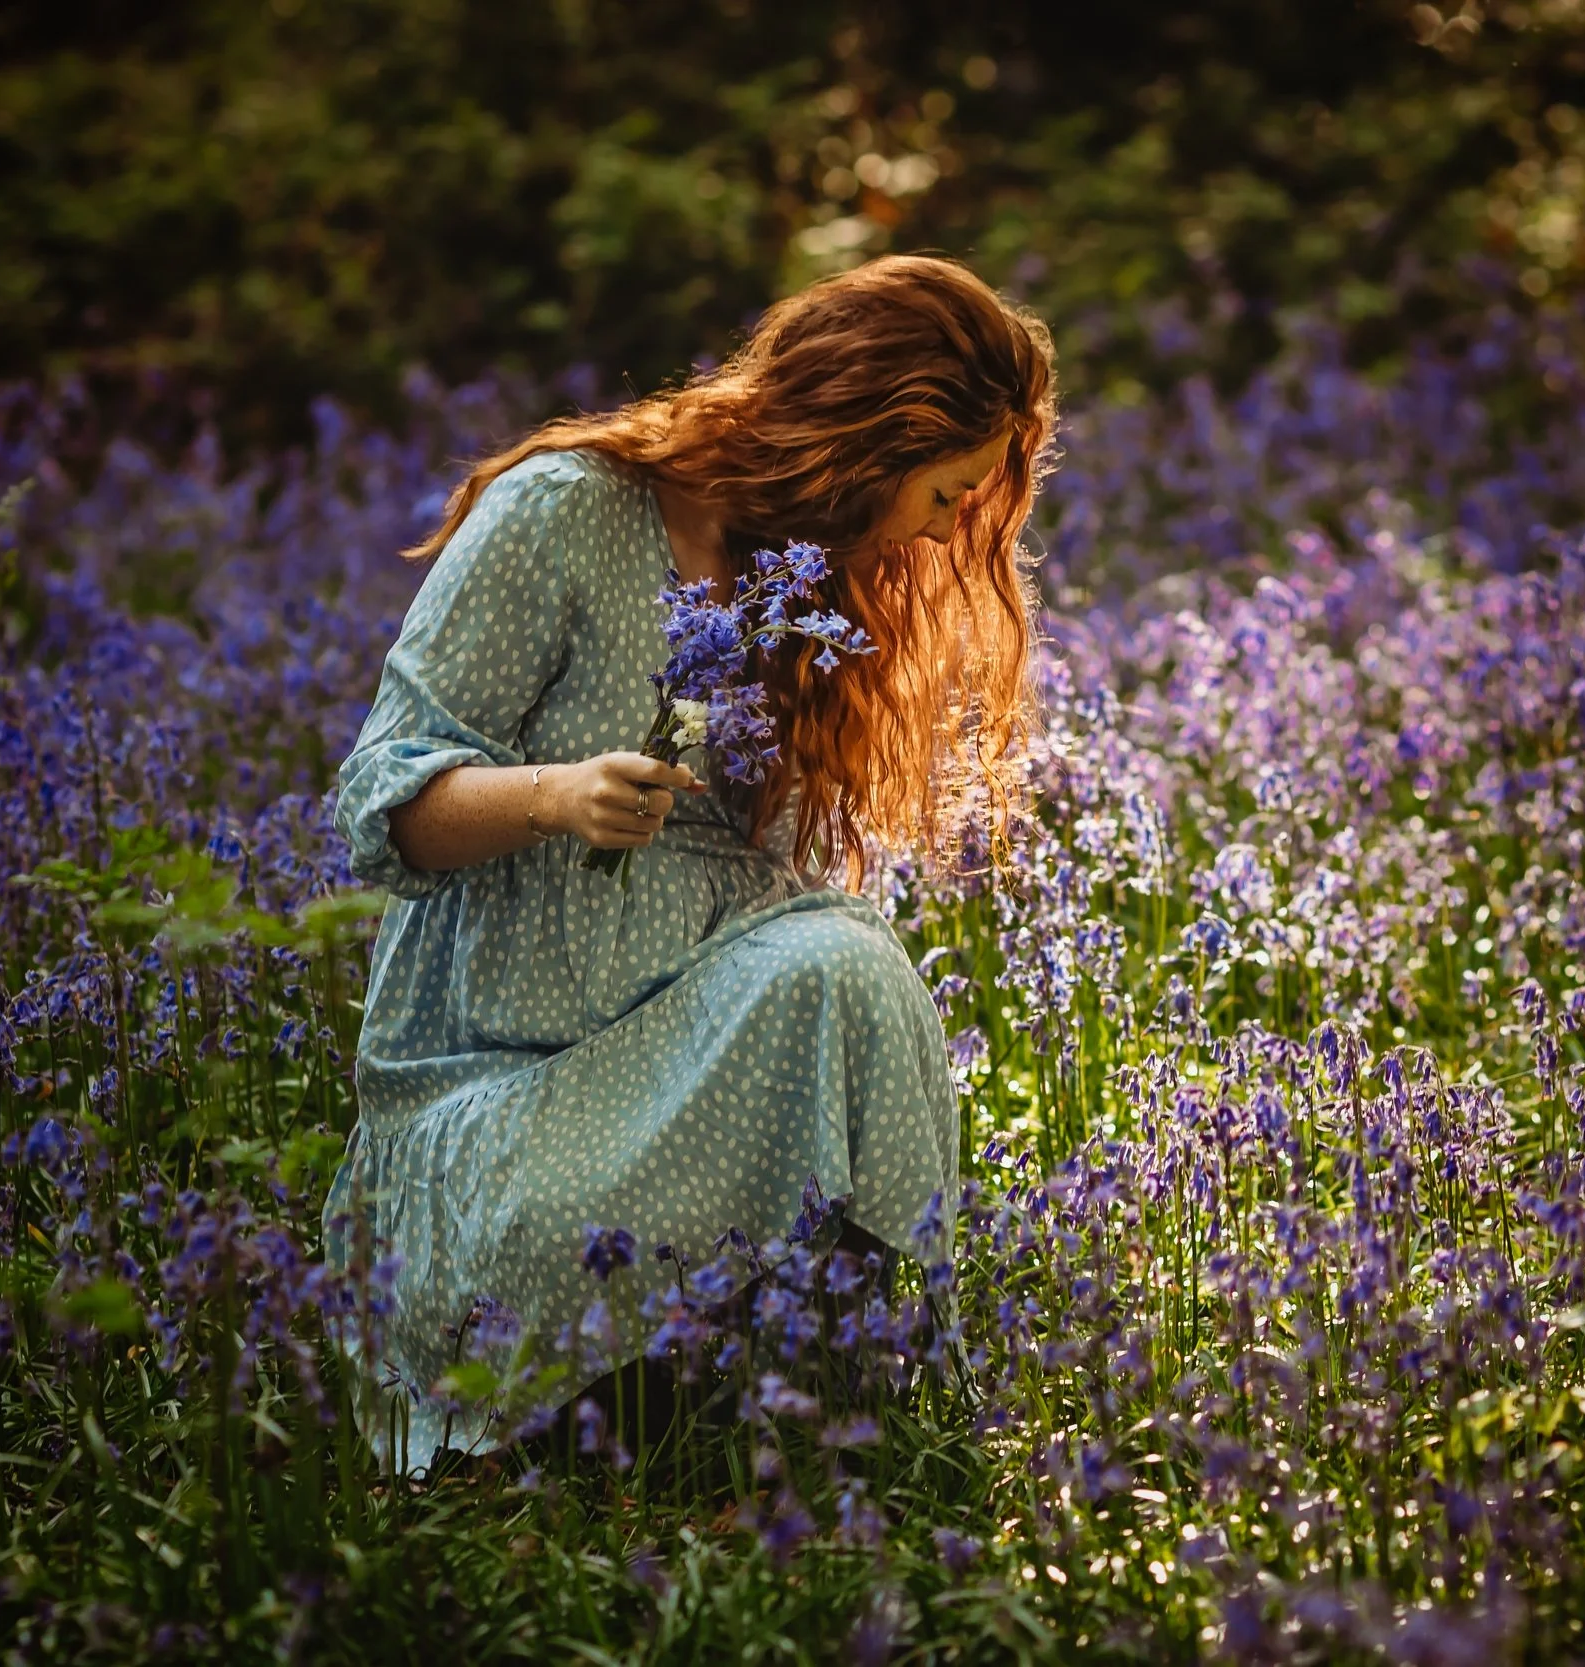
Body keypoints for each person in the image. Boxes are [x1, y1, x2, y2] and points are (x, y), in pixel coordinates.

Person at [324, 255, 1057, 1469]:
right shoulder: (565, 511)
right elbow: (382, 805)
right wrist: (557, 795)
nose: (944, 531)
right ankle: (799, 1407)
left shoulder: (809, 575)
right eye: (944, 493)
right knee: (837, 961)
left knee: (845, 960)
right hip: (506, 1098)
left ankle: (845, 1393)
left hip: (688, 1094)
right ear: (864, 439)